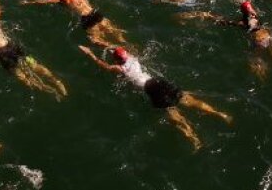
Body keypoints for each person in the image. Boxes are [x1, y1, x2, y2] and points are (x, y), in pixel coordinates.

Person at [77, 45, 232, 149]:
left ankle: (194, 139)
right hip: (157, 81)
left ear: (117, 60)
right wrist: (109, 46)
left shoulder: (119, 68)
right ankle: (220, 114)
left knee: (173, 113)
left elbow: (101, 64)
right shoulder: (132, 57)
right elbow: (120, 50)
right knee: (187, 100)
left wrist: (89, 53)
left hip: (150, 89)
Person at [22, 0, 128, 47]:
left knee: (96, 40)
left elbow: (45, 1)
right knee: (114, 30)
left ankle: (113, 47)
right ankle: (125, 44)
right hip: (95, 13)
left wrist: (28, 2)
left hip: (86, 19)